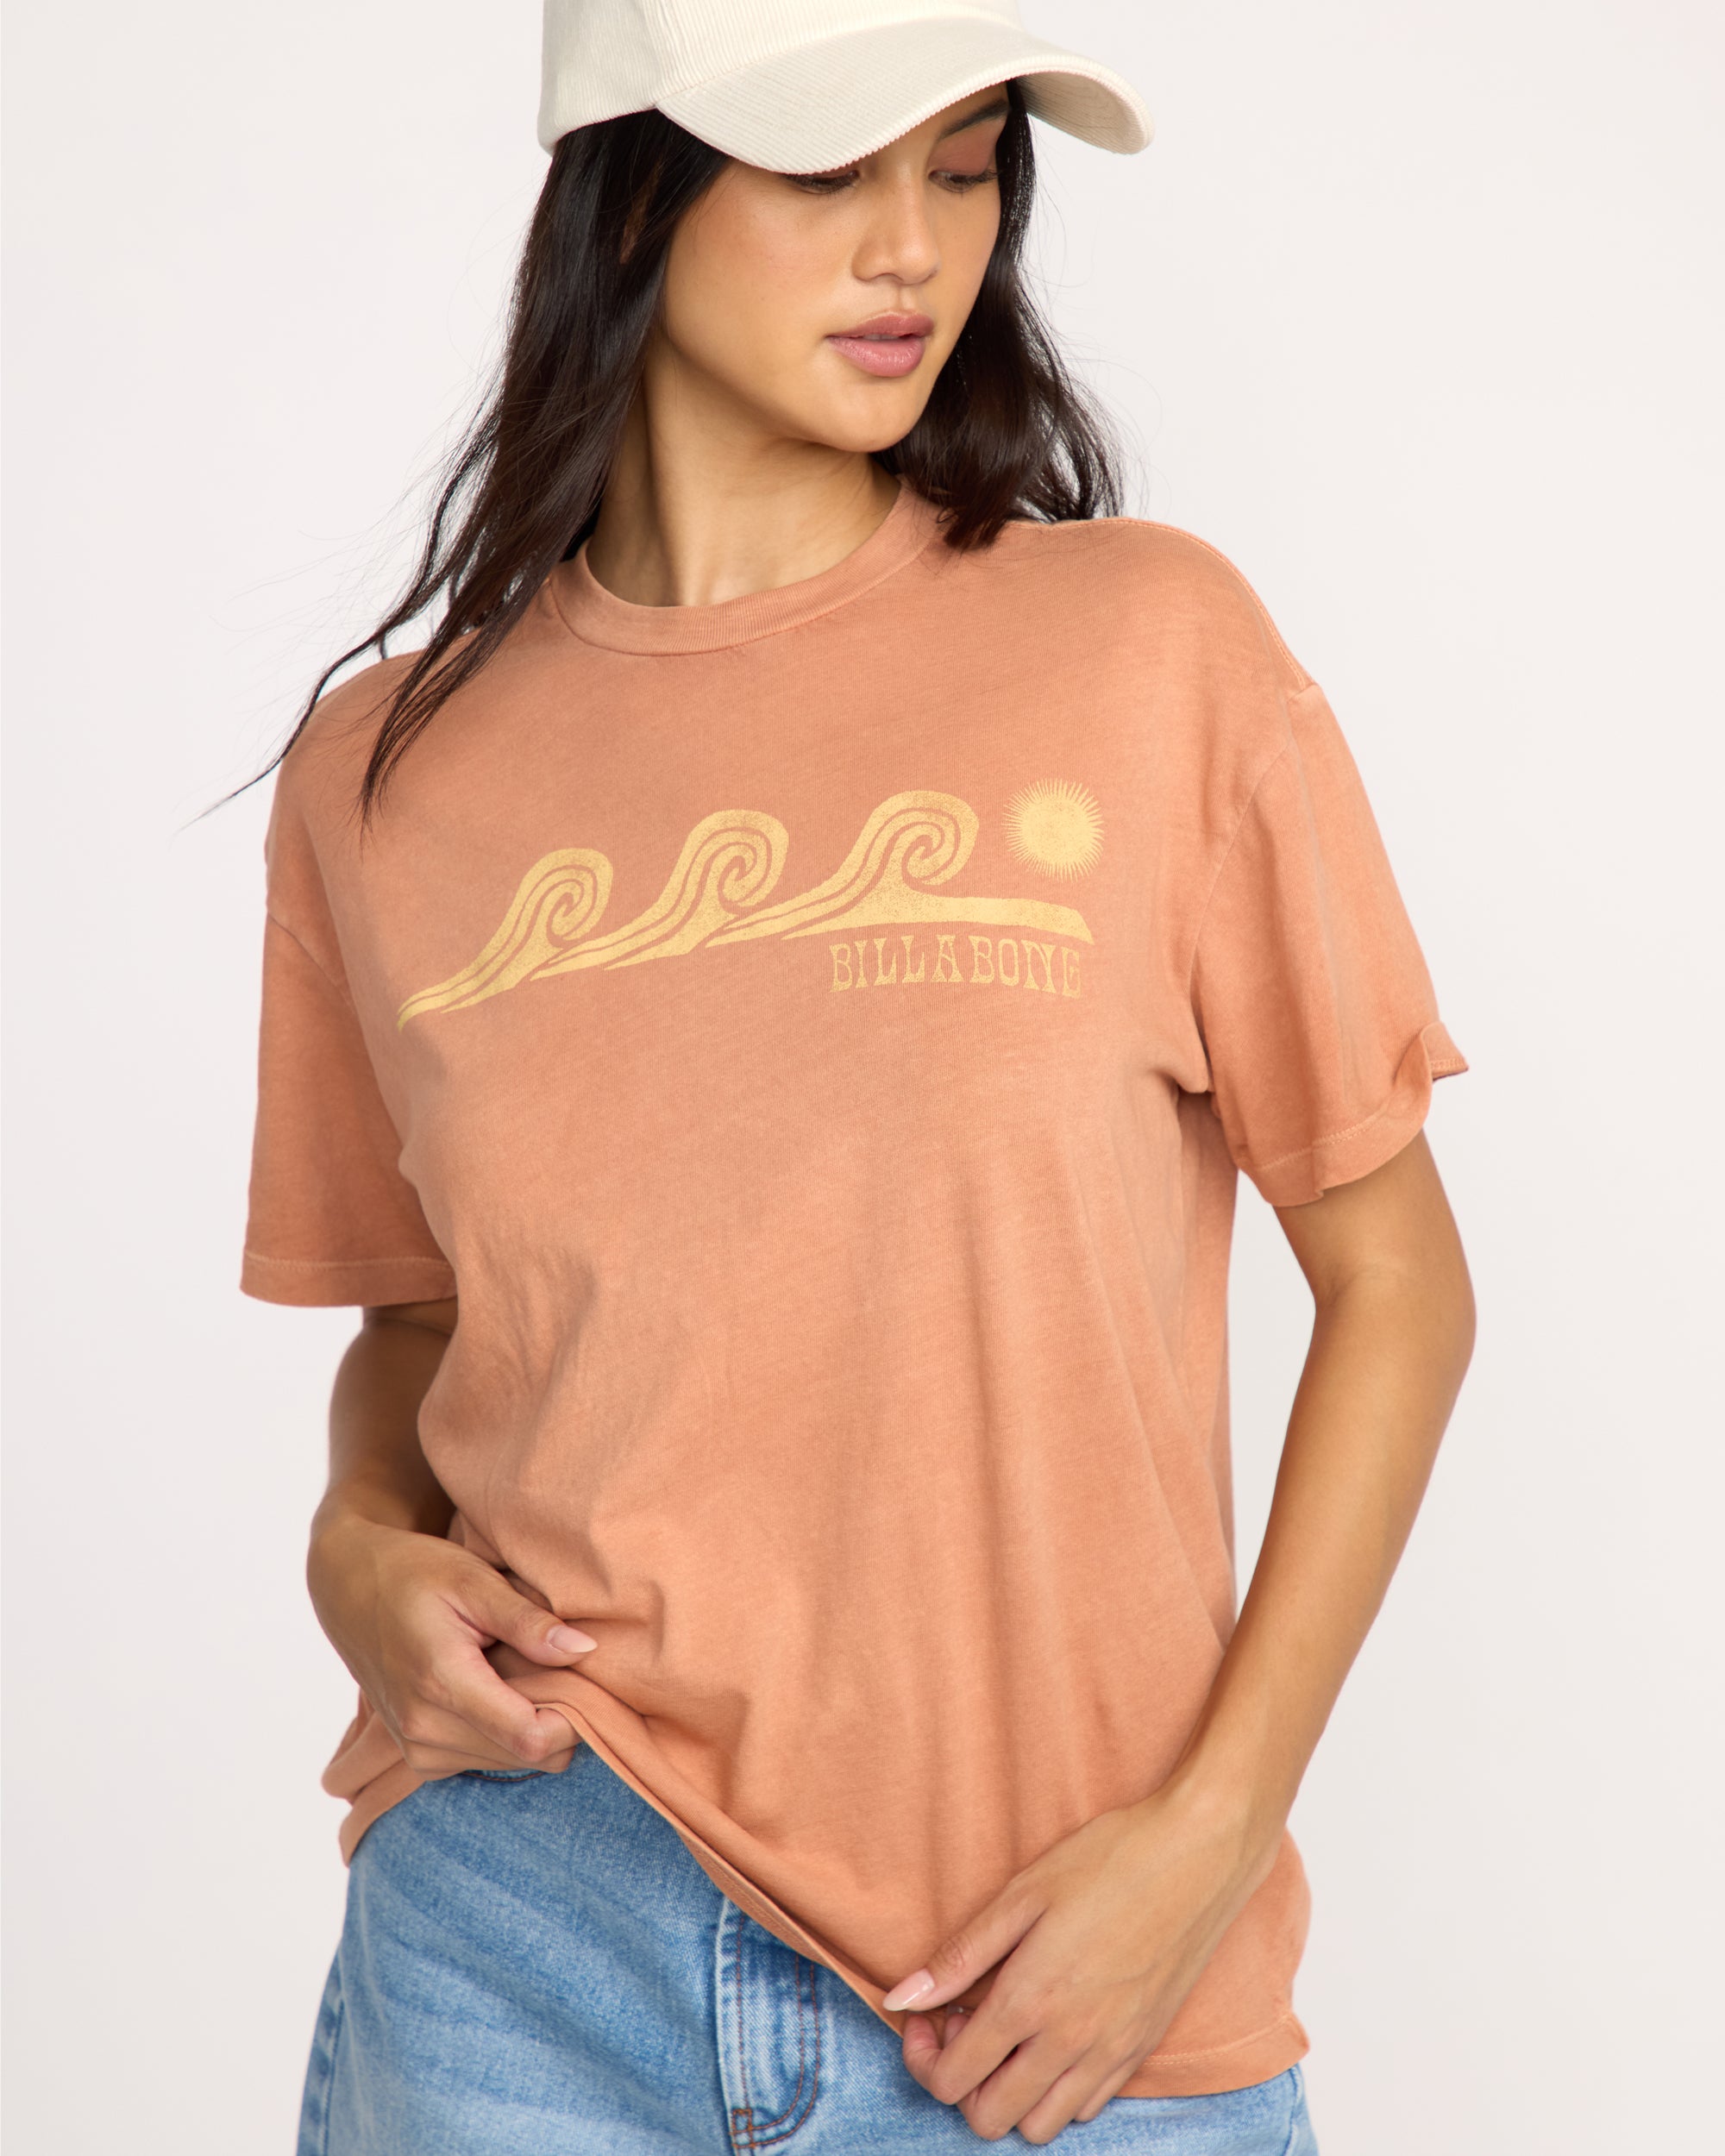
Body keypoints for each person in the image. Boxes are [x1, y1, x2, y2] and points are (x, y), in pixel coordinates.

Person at [238, 3, 1475, 2148]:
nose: (917, 246)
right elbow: (424, 1323)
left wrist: (1204, 1837)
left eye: (967, 165)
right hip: (518, 1937)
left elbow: (1399, 1283)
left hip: (1053, 1996)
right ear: (628, 187)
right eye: (827, 167)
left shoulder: (1150, 652)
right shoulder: (381, 775)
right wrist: (355, 1548)